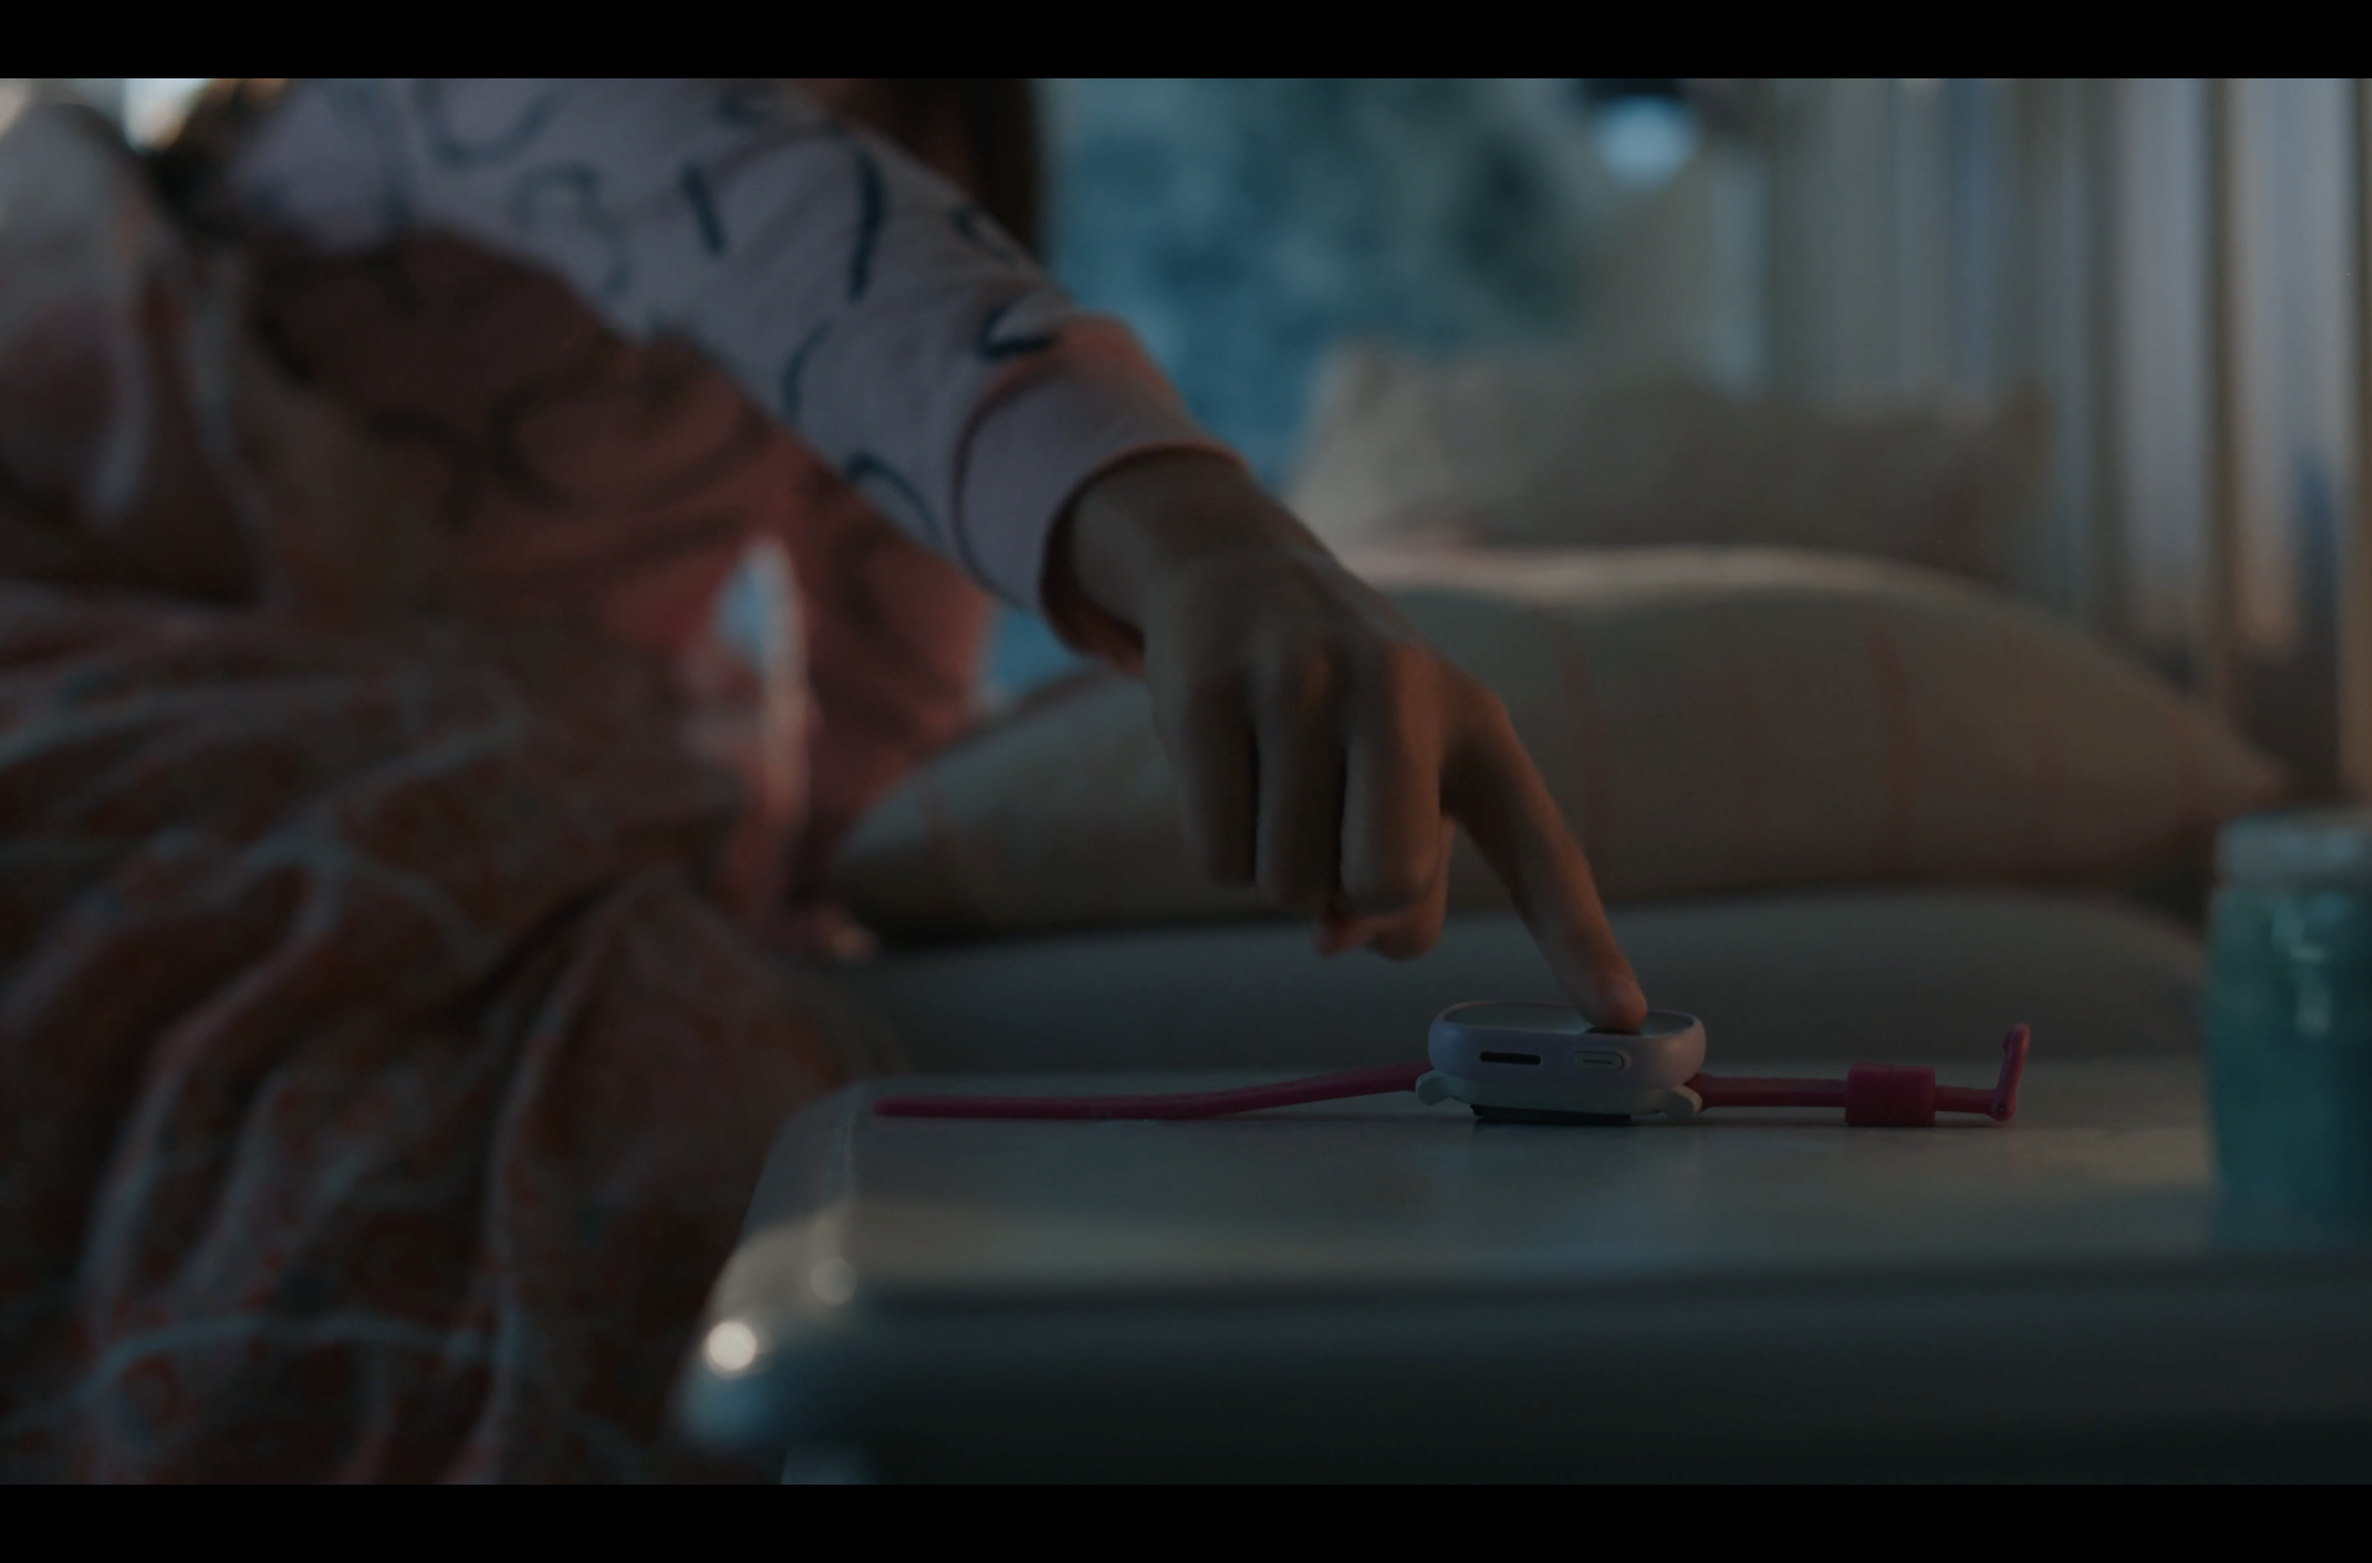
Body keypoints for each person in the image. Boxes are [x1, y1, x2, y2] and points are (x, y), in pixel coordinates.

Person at [0, 78, 1644, 1482]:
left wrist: (853, 873)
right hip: (119, 656)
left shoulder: (904, 179)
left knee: (682, 1095)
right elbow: (762, 221)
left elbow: (879, 694)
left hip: (477, 760)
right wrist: (1203, 534)